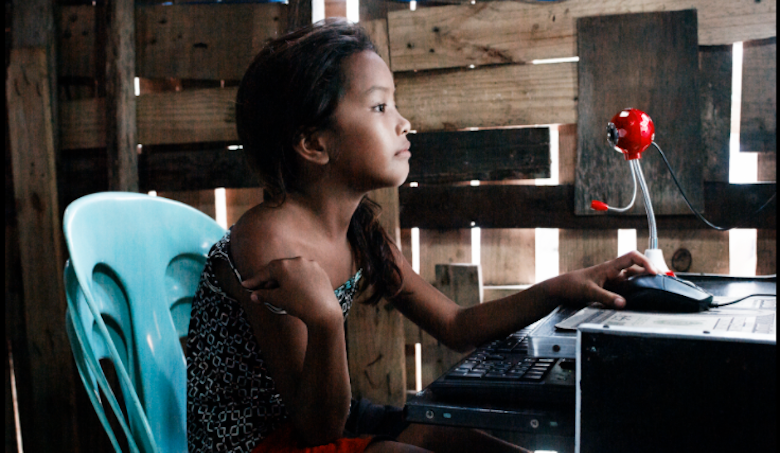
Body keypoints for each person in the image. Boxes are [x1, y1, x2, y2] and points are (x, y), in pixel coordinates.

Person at [186, 18, 657, 453]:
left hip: (334, 417)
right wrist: (326, 322)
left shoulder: (360, 235)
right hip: (263, 444)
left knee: (476, 442)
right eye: (379, 106)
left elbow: (455, 326)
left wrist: (562, 287)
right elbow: (315, 429)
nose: (403, 121)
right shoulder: (267, 243)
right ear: (313, 143)